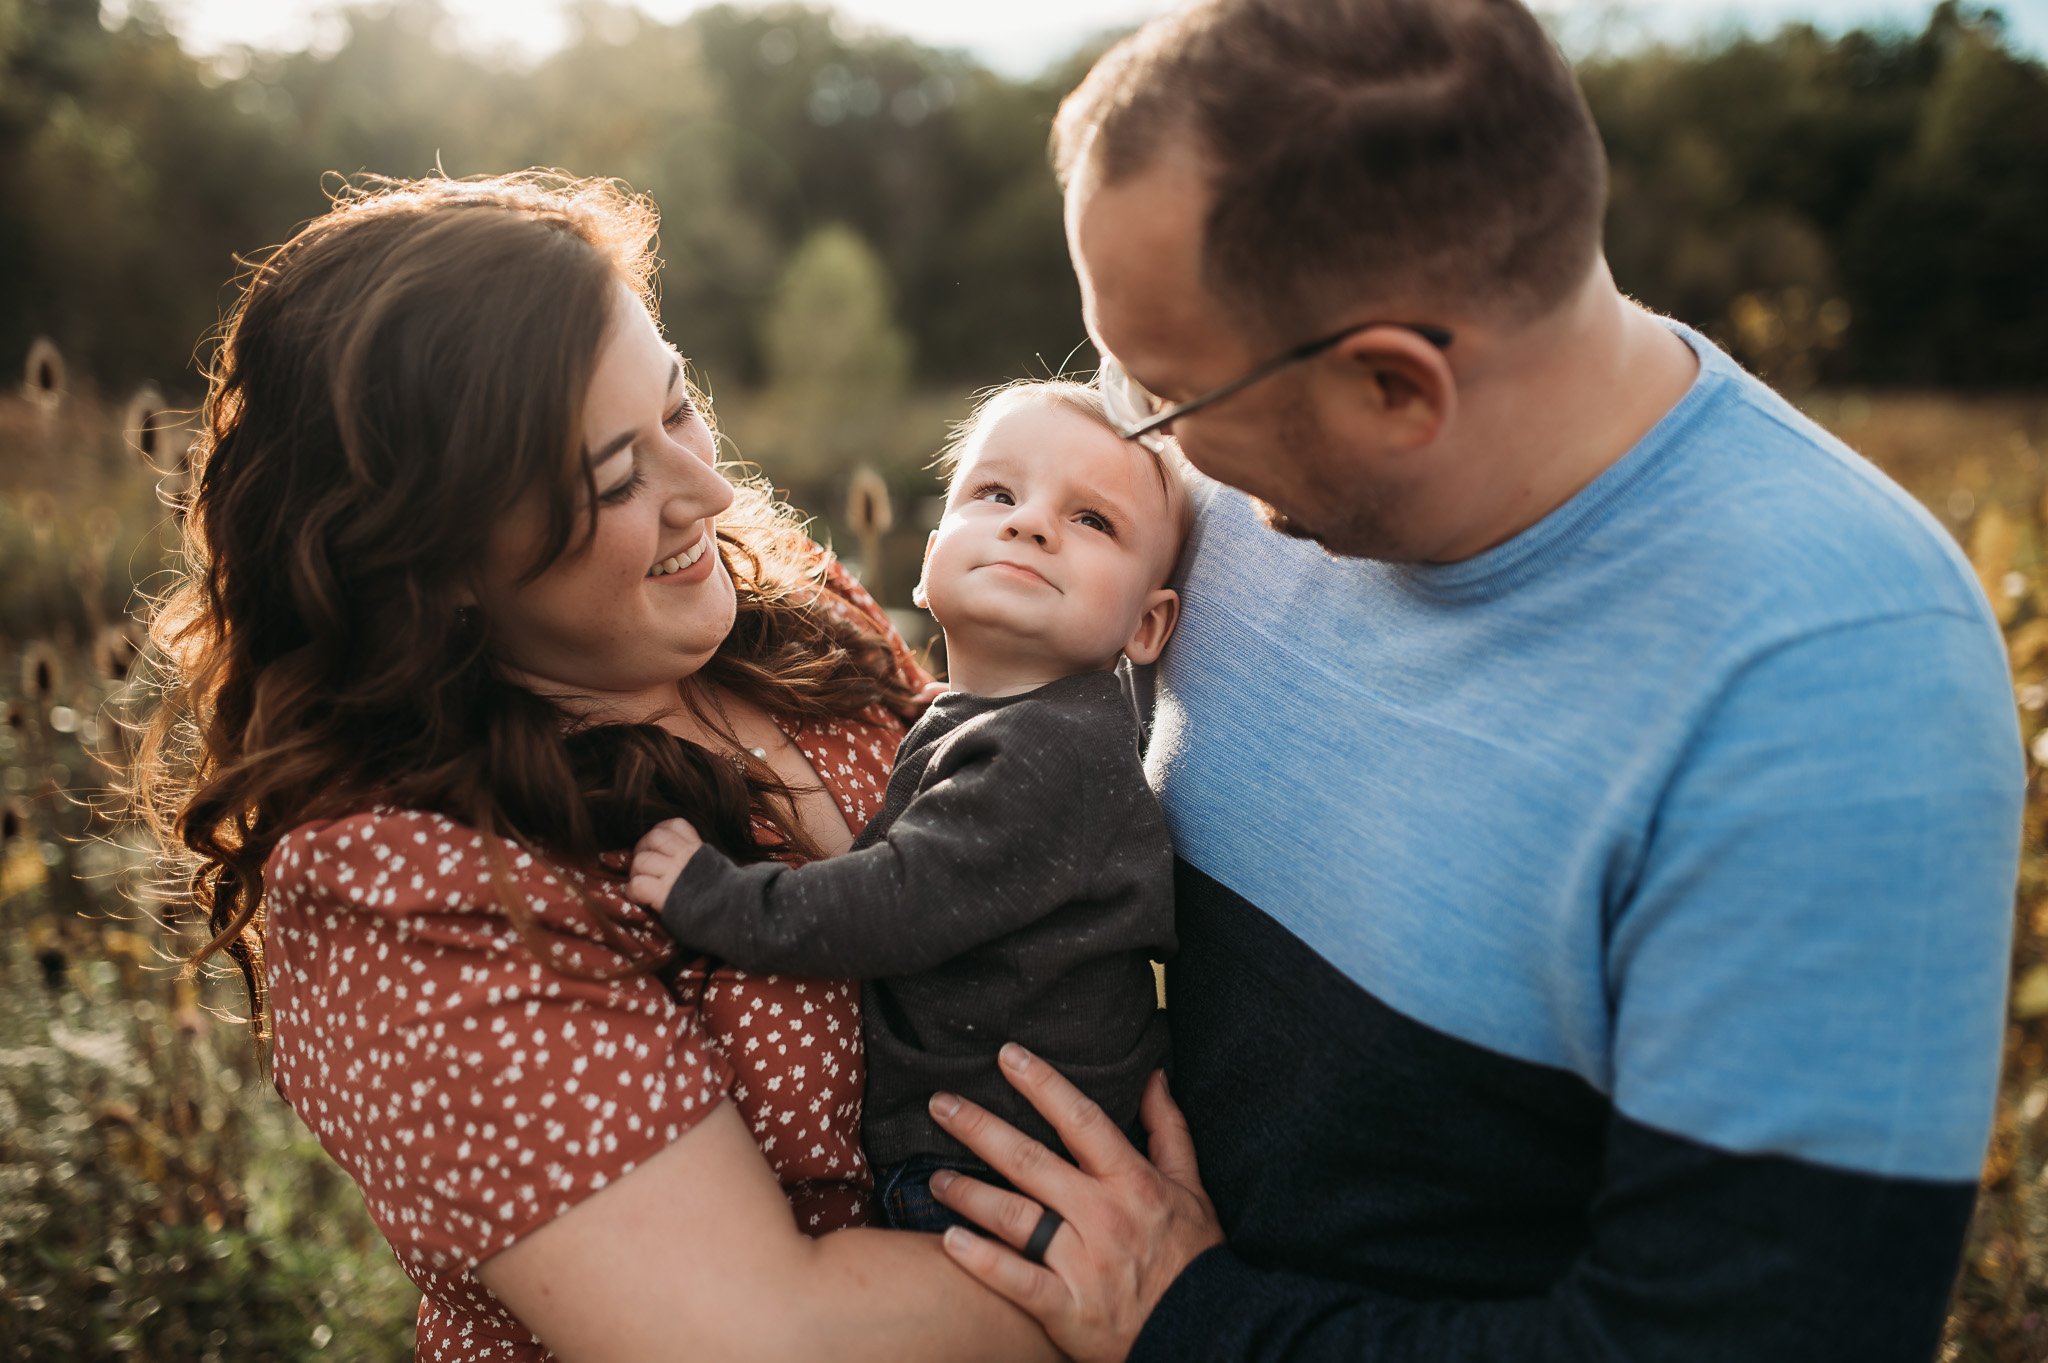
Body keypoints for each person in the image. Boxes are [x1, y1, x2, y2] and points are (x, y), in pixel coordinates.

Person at [905, 3, 2027, 1361]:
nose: (1122, 426)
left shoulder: (1831, 684)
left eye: (1162, 390)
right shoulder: (1231, 459)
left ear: (1395, 386)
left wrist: (1190, 1318)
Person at [131, 171, 1059, 1363]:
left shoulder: (793, 610)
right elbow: (766, 1337)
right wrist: (1172, 1287)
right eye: (617, 478)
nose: (710, 492)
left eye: (680, 408)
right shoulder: (413, 891)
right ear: (435, 558)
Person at [626, 380, 1186, 1235]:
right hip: (988, 1162)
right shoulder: (989, 720)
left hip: (999, 1180)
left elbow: (894, 900)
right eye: (996, 493)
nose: (1031, 523)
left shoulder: (1053, 756)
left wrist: (716, 897)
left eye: (1092, 520)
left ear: (1146, 628)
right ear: (927, 564)